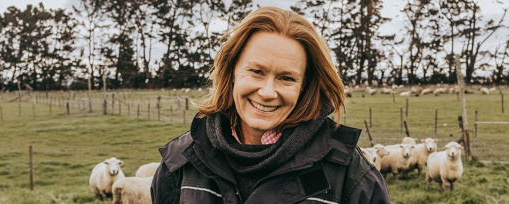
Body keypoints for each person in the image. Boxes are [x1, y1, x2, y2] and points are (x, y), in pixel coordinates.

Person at [151, 7, 390, 204]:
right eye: (256, 71)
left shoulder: (350, 175)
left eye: (287, 78)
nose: (267, 92)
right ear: (231, 71)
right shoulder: (182, 162)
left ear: (304, 87)